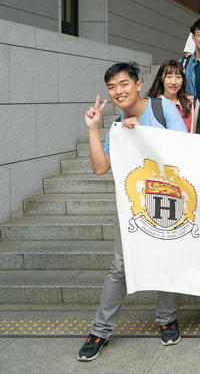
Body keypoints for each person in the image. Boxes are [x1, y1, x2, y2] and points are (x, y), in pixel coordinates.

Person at [78, 62, 188, 362]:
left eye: (123, 83)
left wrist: (142, 134)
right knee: (119, 268)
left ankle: (167, 319)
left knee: (166, 259)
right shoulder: (117, 127)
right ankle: (99, 331)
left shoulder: (163, 109)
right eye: (111, 87)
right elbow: (100, 167)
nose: (118, 91)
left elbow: (183, 150)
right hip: (133, 206)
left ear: (138, 85)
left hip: (169, 200)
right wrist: (93, 129)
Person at [147, 60, 194, 132]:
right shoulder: (151, 104)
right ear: (161, 79)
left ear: (183, 80)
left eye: (178, 77)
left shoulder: (189, 103)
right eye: (169, 77)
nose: (174, 82)